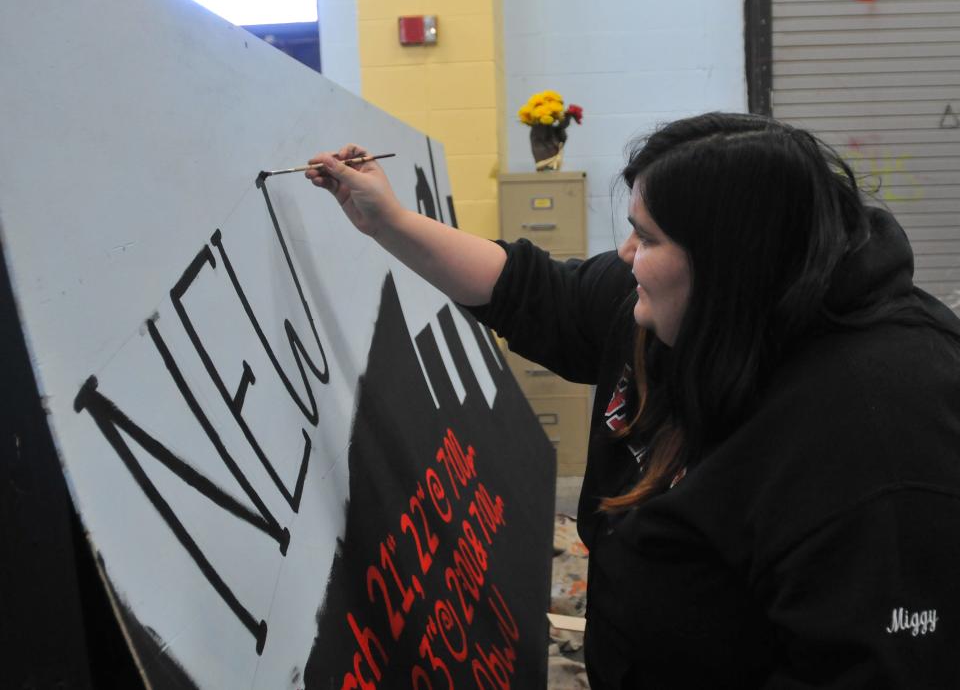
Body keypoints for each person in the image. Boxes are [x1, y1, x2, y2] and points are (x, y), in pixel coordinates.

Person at [306, 112, 960, 688]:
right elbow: (540, 294)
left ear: (726, 261)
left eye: (646, 237)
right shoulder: (693, 305)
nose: (624, 254)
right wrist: (386, 222)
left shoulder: (883, 433)